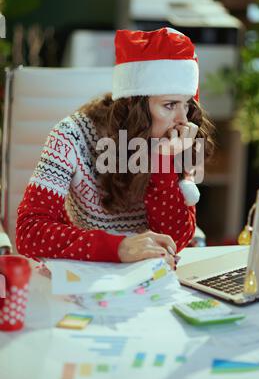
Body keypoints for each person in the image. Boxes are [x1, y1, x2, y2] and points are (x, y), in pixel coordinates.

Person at [16, 27, 214, 269]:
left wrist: (163, 162)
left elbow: (175, 239)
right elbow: (30, 232)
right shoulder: (71, 136)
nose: (183, 120)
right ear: (134, 105)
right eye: (169, 105)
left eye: (186, 105)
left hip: (149, 280)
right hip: (88, 274)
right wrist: (120, 247)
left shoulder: (175, 140)